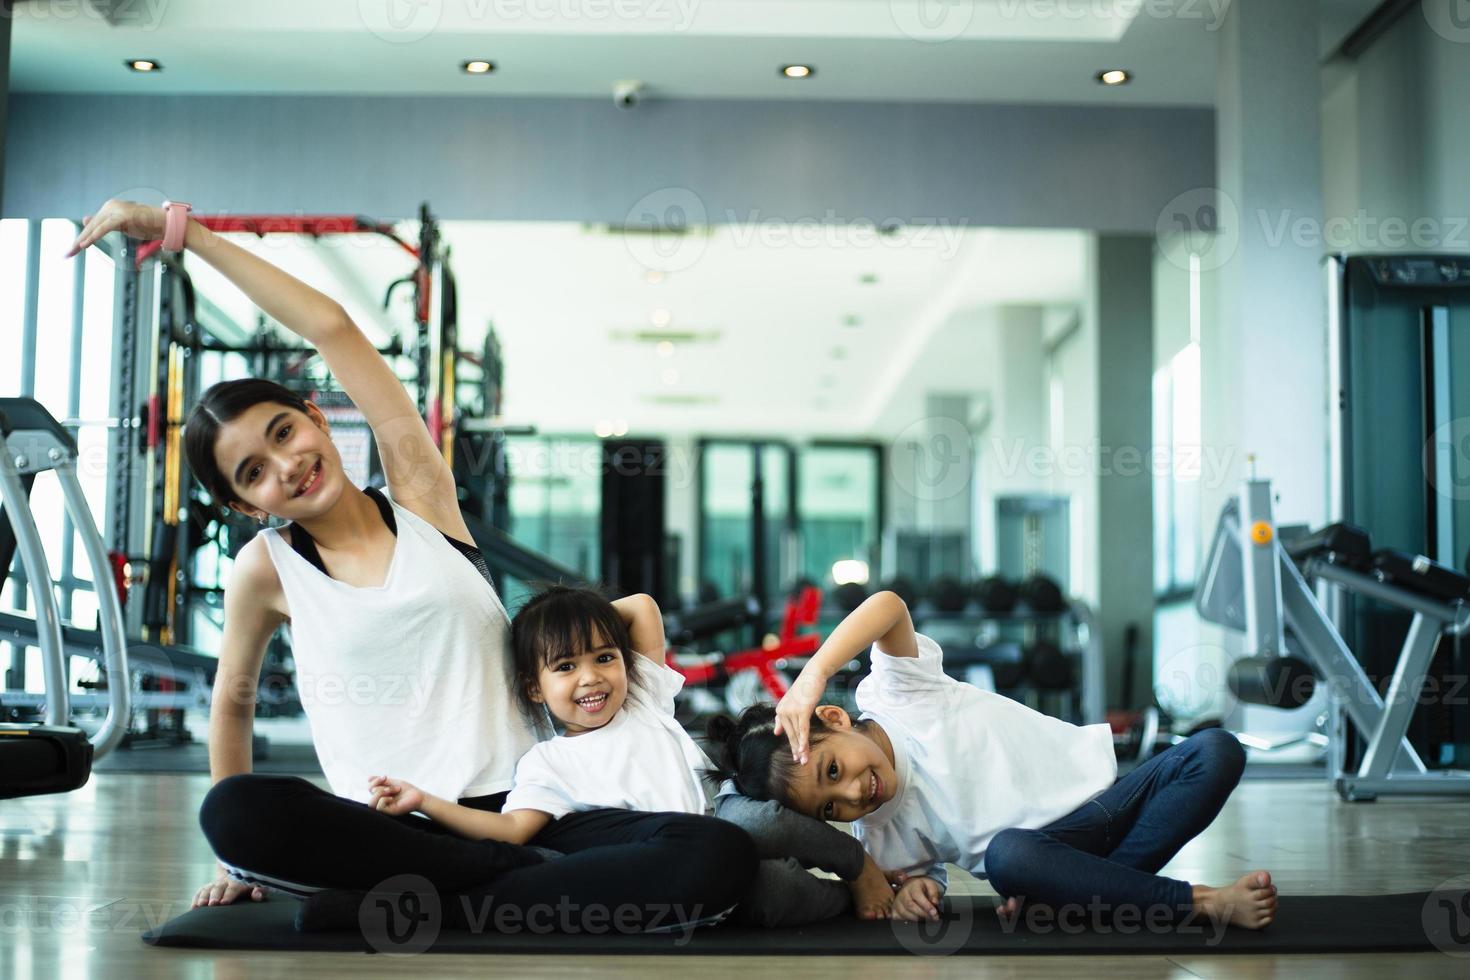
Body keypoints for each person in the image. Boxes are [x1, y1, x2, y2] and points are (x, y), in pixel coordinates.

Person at [66, 200, 755, 933]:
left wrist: (189, 237)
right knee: (233, 813)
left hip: (525, 812)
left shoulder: (422, 498)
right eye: (255, 471)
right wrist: (230, 865)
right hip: (388, 827)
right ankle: (502, 897)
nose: (288, 465)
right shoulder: (265, 569)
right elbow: (230, 704)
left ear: (317, 416)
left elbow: (332, 329)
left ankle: (430, 904)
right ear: (245, 505)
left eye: (284, 431)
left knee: (714, 852)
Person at [708, 589, 1278, 929]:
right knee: (1009, 854)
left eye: (833, 771)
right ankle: (1198, 903)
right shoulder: (873, 837)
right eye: (831, 807)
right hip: (1035, 859)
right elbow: (922, 879)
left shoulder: (900, 694)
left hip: (1111, 799)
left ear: (833, 720)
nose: (852, 794)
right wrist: (915, 892)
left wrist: (813, 675)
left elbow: (887, 606)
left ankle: (1081, 902)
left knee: (1214, 751)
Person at [369, 584, 897, 926]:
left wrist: (565, 625)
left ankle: (860, 867)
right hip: (699, 870)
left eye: (603, 658)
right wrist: (426, 801)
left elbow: (642, 606)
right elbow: (511, 833)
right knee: (773, 891)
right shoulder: (546, 763)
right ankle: (846, 902)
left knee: (759, 820)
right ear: (533, 688)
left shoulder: (640, 700)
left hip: (735, 817)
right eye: (565, 668)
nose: (592, 677)